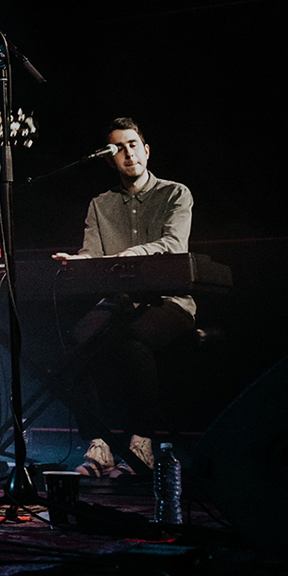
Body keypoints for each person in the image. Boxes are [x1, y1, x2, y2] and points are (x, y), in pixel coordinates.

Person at [52, 117, 195, 478]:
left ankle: (141, 443)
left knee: (132, 343)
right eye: (118, 148)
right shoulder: (100, 205)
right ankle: (99, 446)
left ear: (146, 151)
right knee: (74, 344)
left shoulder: (175, 193)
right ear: (109, 159)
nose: (127, 153)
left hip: (168, 302)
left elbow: (174, 245)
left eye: (133, 144)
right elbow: (93, 254)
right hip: (121, 302)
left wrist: (136, 253)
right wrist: (76, 262)